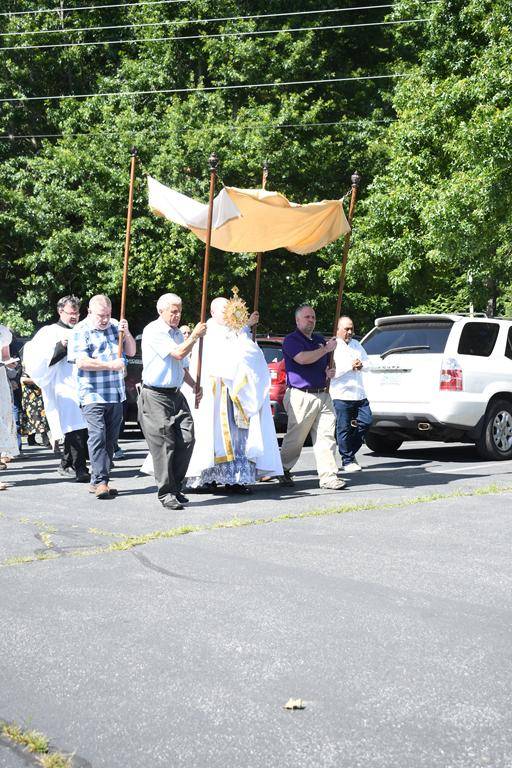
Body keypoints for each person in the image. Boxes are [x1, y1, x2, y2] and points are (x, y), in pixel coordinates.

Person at [185, 296, 283, 494]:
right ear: (212, 313)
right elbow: (212, 361)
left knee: (239, 439)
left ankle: (235, 479)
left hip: (237, 396)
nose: (227, 314)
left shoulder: (238, 332)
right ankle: (206, 479)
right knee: (210, 438)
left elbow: (250, 355)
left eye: (229, 310)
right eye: (223, 311)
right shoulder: (207, 332)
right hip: (214, 396)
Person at [138, 293, 206, 510]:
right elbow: (177, 353)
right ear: (161, 311)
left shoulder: (177, 333)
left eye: (179, 311)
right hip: (155, 394)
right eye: (173, 311)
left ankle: (175, 486)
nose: (177, 315)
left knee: (187, 438)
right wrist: (194, 336)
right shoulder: (154, 331)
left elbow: (182, 365)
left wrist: (194, 384)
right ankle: (166, 493)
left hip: (175, 393)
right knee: (164, 444)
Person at [68, 294, 136, 499]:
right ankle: (100, 482)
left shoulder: (116, 326)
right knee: (97, 435)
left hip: (115, 393)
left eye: (108, 315)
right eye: (101, 316)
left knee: (111, 440)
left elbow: (131, 352)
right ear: (89, 312)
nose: (105, 319)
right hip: (92, 393)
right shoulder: (81, 330)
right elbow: (81, 362)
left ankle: (99, 479)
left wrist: (128, 332)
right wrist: (110, 365)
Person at [278, 304, 346, 490]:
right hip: (301, 395)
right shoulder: (292, 340)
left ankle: (329, 477)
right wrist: (325, 350)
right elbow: (302, 359)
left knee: (326, 437)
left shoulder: (318, 339)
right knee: (296, 439)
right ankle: (281, 469)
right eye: (307, 317)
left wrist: (328, 372)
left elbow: (320, 364)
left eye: (313, 317)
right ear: (297, 320)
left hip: (322, 394)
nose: (311, 320)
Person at [23, 296, 89, 480]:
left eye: (77, 313)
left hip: (84, 384)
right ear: (60, 311)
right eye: (70, 313)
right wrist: (61, 346)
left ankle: (67, 463)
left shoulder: (83, 330)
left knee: (80, 427)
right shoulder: (49, 332)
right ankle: (80, 468)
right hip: (63, 386)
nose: (74, 317)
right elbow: (37, 360)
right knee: (74, 427)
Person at [331, 316, 372, 472]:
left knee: (366, 422)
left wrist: (362, 365)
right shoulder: (333, 346)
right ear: (338, 330)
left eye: (351, 329)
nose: (350, 332)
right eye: (346, 329)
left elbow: (368, 363)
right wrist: (350, 366)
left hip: (359, 393)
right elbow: (332, 372)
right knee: (343, 428)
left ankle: (349, 452)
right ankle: (347, 460)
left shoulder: (356, 345)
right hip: (341, 394)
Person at [0, 324, 20, 488]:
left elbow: (5, 356)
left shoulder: (3, 331)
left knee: (3, 421)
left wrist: (10, 363)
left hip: (0, 380)